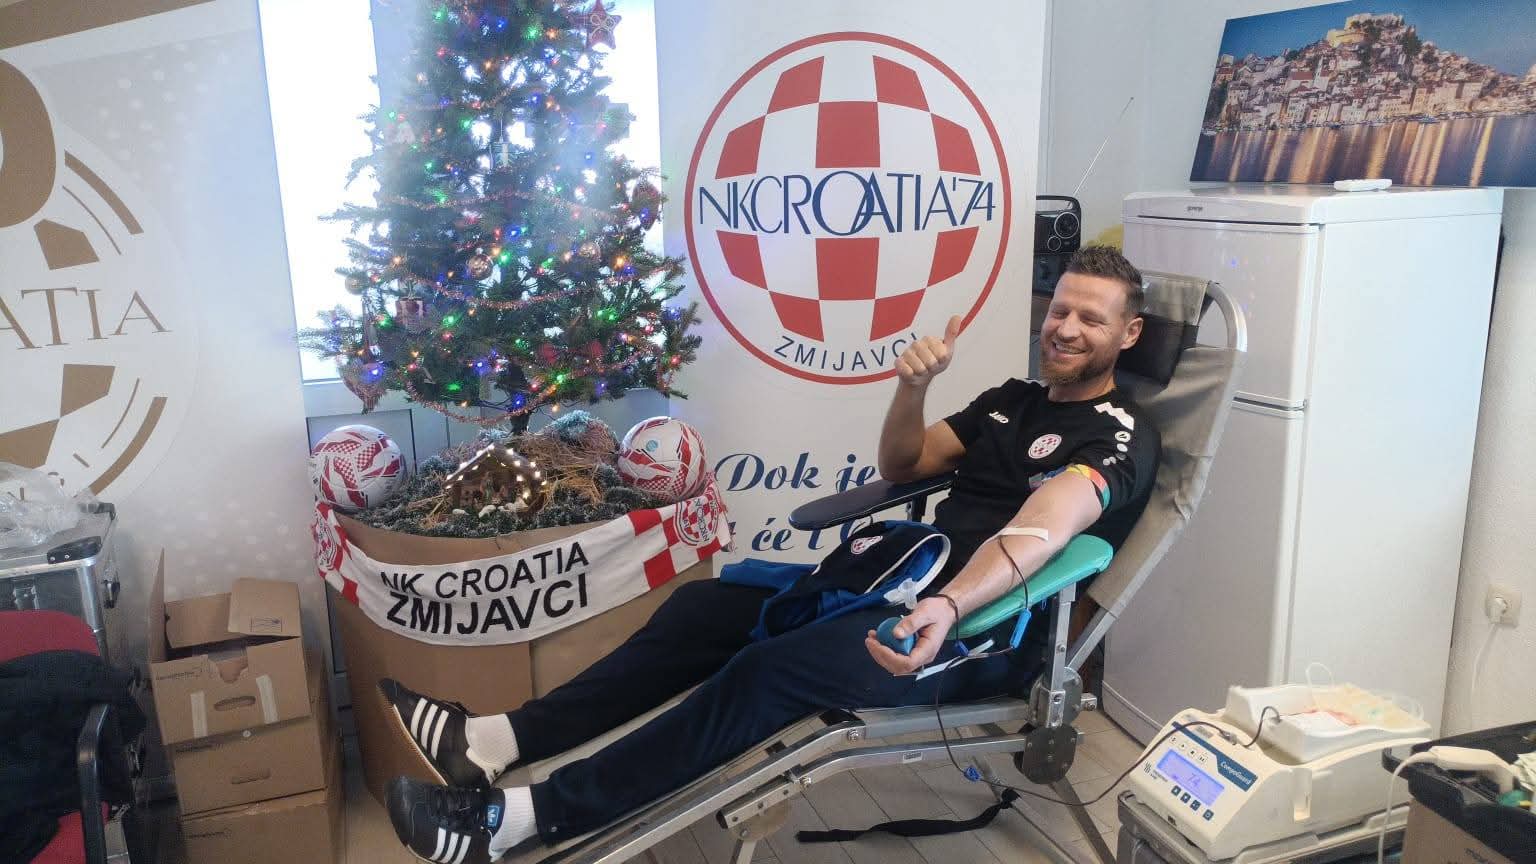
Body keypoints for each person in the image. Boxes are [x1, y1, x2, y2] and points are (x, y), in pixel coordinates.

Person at [383, 245, 1161, 863]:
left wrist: (952, 604)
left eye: (1091, 319)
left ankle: (516, 821)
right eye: (1060, 309)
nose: (1066, 328)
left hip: (983, 630)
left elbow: (1049, 523)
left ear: (1127, 335)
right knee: (703, 608)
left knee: (769, 670)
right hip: (896, 584)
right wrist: (911, 388)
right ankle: (495, 741)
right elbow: (902, 465)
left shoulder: (1121, 435)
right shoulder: (1011, 401)